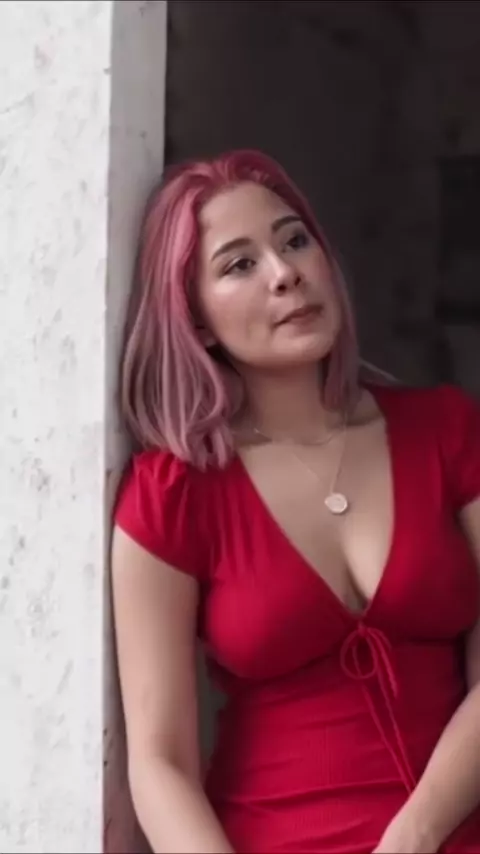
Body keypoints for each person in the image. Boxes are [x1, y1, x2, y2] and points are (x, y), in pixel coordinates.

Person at [111, 149, 480, 854]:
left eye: (294, 240)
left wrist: (417, 833)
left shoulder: (447, 433)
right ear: (196, 319)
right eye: (239, 264)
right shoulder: (172, 495)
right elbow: (160, 764)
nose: (285, 273)